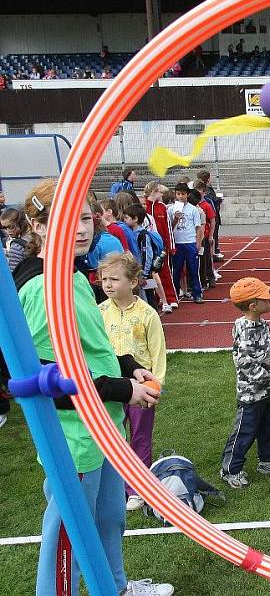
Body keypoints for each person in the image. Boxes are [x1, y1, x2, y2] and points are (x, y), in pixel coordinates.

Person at [16, 180, 171, 596]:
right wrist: (121, 390)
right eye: (68, 219)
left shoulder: (72, 275)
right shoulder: (39, 286)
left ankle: (115, 588)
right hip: (74, 436)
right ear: (39, 225)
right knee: (69, 532)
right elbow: (43, 376)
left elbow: (87, 348)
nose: (81, 228)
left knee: (108, 519)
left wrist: (128, 366)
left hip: (101, 426)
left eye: (85, 217)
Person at [98, 253, 167, 511]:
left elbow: (158, 351)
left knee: (139, 437)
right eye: (104, 279)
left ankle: (138, 488)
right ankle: (112, 486)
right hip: (109, 386)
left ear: (134, 282)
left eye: (114, 279)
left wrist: (156, 384)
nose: (108, 284)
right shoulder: (99, 312)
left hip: (141, 387)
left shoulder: (147, 314)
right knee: (112, 436)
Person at [219, 278, 270, 488]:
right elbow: (246, 365)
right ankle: (230, 469)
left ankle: (268, 460)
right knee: (244, 432)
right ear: (253, 306)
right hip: (252, 395)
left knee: (269, 427)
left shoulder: (262, 325)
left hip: (268, 392)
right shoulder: (245, 331)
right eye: (266, 298)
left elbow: (266, 352)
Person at [144, 182, 178, 310]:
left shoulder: (162, 207)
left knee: (165, 271)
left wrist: (171, 245)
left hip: (161, 246)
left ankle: (171, 297)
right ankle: (157, 298)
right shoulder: (144, 207)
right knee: (151, 273)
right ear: (154, 191)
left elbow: (167, 227)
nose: (162, 194)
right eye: (159, 192)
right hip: (148, 246)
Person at [169, 183, 203, 304]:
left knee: (193, 269)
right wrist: (175, 218)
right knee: (176, 270)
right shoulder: (171, 209)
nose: (181, 196)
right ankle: (175, 293)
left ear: (188, 194)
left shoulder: (193, 209)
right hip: (177, 243)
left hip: (190, 242)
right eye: (178, 194)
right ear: (175, 194)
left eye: (183, 194)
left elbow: (198, 228)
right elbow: (170, 227)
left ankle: (197, 293)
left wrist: (198, 243)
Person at [194, 181, 217, 291]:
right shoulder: (193, 205)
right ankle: (201, 279)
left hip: (205, 236)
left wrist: (211, 236)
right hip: (196, 237)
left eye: (200, 192)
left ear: (204, 193)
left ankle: (211, 276)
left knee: (207, 259)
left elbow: (212, 221)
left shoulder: (206, 205)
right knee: (200, 259)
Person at [1, 207, 33, 273]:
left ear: (20, 223)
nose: (7, 231)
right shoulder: (35, 235)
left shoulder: (16, 247)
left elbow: (15, 275)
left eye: (11, 227)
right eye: (4, 228)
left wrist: (9, 253)